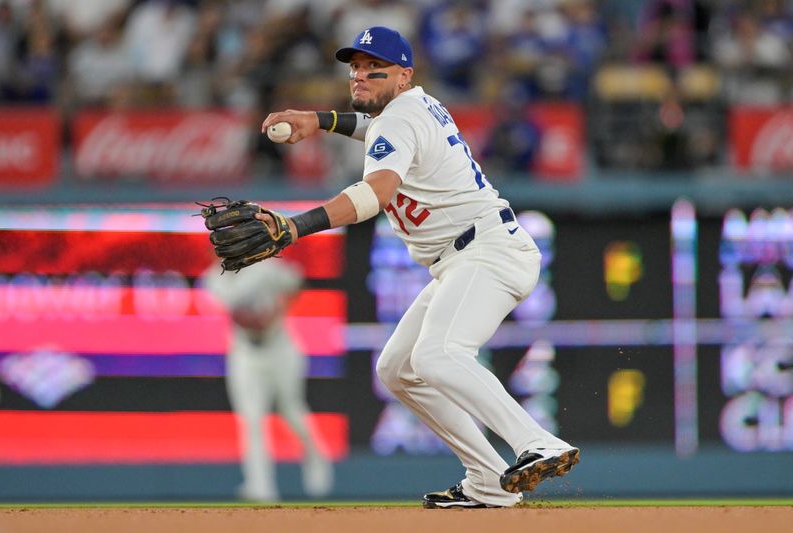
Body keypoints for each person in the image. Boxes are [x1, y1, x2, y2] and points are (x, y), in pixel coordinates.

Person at [259, 26, 579, 509]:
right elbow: (376, 127)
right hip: (471, 253)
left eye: (376, 68)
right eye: (356, 68)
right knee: (397, 369)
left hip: (484, 252)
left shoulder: (399, 118)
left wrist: (294, 227)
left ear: (404, 75)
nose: (361, 76)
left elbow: (375, 194)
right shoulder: (413, 108)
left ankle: (538, 443)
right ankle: (489, 481)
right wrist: (319, 120)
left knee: (436, 355)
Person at [204, 259, 333, 502]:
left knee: (291, 410)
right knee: (251, 419)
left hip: (280, 346)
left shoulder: (263, 267)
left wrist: (279, 309)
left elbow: (296, 281)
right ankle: (261, 487)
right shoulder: (213, 279)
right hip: (245, 351)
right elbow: (235, 314)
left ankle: (315, 456)